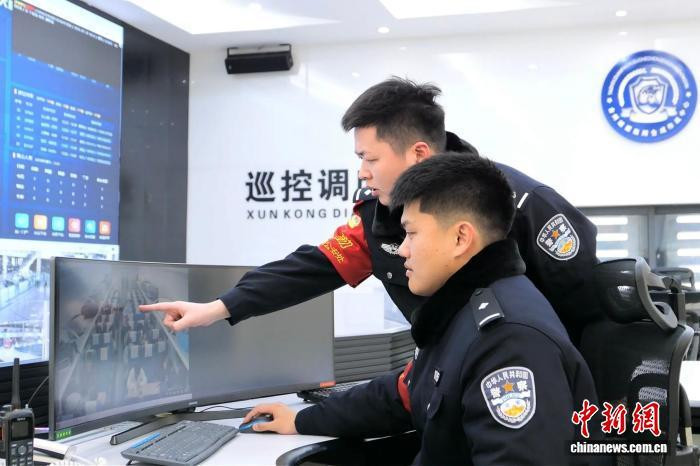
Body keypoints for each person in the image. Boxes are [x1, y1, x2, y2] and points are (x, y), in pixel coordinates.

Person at [140, 77, 599, 343]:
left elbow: (589, 315)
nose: (362, 173)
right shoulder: (379, 222)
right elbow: (312, 267)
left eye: (370, 159)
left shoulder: (523, 203)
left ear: (418, 154)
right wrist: (219, 307)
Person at [241, 154, 602, 465]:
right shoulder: (460, 311)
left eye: (411, 234)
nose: (401, 250)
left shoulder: (509, 341)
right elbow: (403, 395)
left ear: (460, 238)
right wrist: (301, 420)